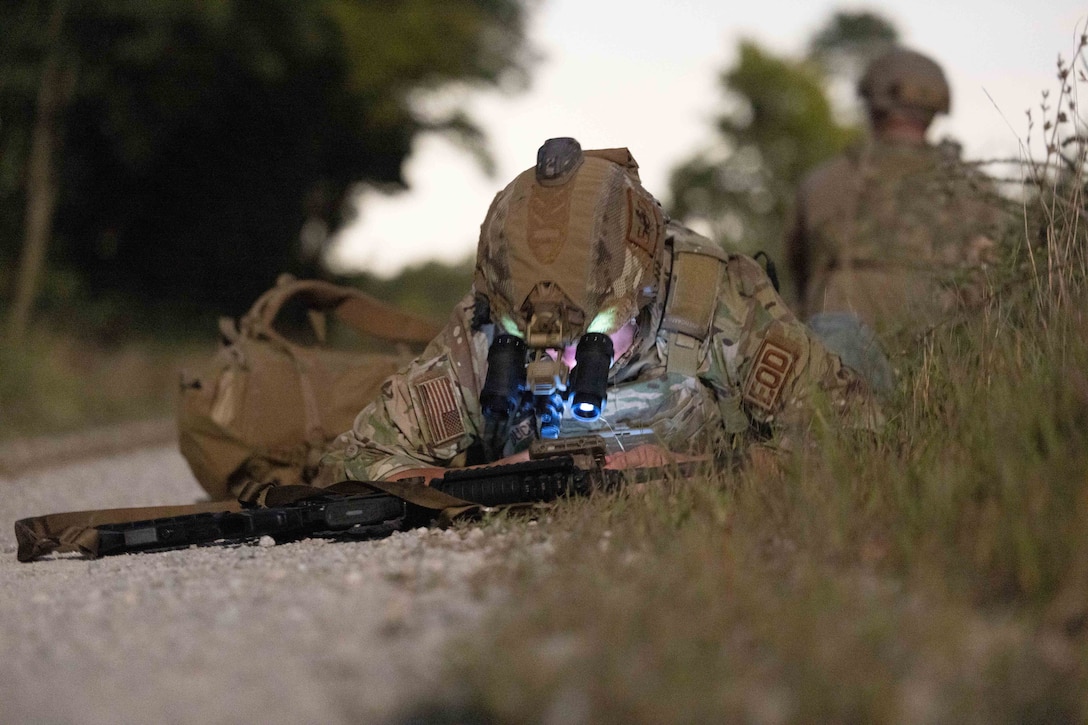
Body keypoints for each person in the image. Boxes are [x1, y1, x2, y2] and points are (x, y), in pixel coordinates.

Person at [319, 138, 880, 484]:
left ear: (645, 294)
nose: (559, 356)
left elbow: (852, 433)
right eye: (533, 335)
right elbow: (360, 460)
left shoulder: (714, 298)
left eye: (586, 335)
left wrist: (691, 472)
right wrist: (493, 481)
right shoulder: (488, 326)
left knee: (844, 335)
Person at [785, 47, 1012, 351]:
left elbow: (797, 278)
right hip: (946, 365)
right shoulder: (976, 189)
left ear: (872, 104)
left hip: (834, 370)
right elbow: (999, 288)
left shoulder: (820, 183)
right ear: (936, 108)